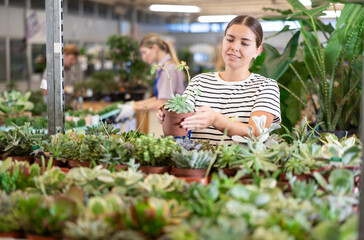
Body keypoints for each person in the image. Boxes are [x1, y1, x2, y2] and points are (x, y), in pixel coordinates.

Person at [157, 15, 281, 145]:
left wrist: (216, 120)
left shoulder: (266, 87)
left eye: (244, 43)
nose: (234, 47)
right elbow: (182, 122)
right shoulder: (199, 82)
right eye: (230, 39)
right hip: (196, 164)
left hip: (237, 165)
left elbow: (257, 133)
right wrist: (168, 116)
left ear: (257, 50)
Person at [132, 33, 185, 111]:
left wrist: (134, 108)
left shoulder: (169, 69)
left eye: (144, 52)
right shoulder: (163, 68)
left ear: (155, 48)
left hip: (175, 119)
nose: (143, 58)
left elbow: (163, 102)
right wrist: (136, 104)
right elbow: (159, 97)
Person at [40, 44, 80, 108]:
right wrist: (65, 90)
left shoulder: (73, 70)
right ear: (64, 54)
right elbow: (44, 90)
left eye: (75, 60)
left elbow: (74, 89)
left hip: (67, 108)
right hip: (53, 109)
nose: (73, 62)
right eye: (72, 59)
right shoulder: (51, 70)